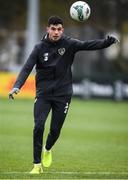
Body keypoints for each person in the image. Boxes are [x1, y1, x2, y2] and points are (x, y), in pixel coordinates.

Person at [9, 15, 119, 174]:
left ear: (62, 30)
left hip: (63, 95)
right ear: (48, 29)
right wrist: (17, 86)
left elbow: (88, 45)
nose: (56, 32)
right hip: (43, 95)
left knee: (55, 131)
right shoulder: (39, 48)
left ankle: (47, 148)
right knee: (38, 126)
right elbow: (27, 68)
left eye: (59, 29)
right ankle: (36, 165)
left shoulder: (69, 44)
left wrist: (108, 41)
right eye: (53, 29)